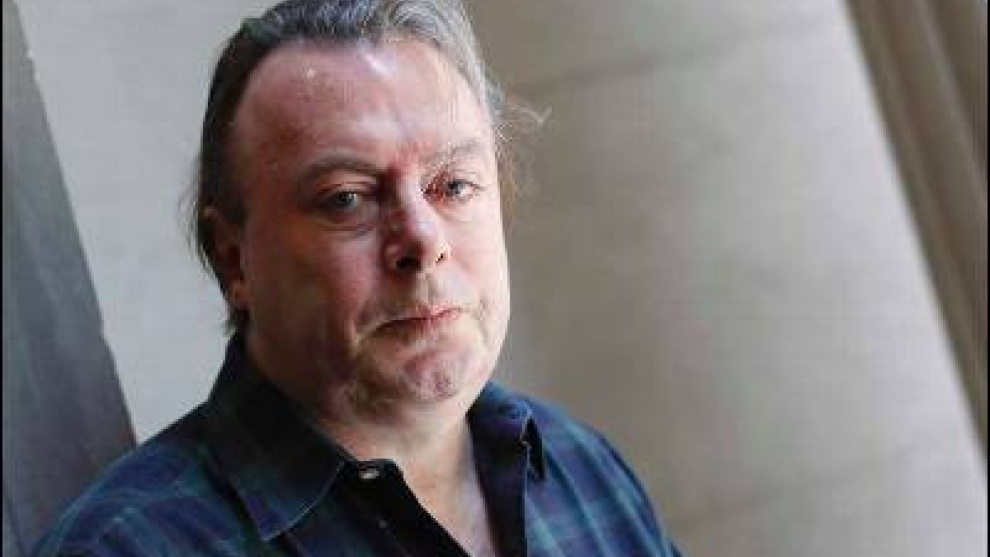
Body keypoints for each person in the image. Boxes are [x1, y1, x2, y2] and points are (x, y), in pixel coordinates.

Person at [34, 1, 683, 555]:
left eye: (454, 185)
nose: (423, 241)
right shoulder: (130, 547)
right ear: (234, 259)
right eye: (346, 199)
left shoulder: (582, 469)